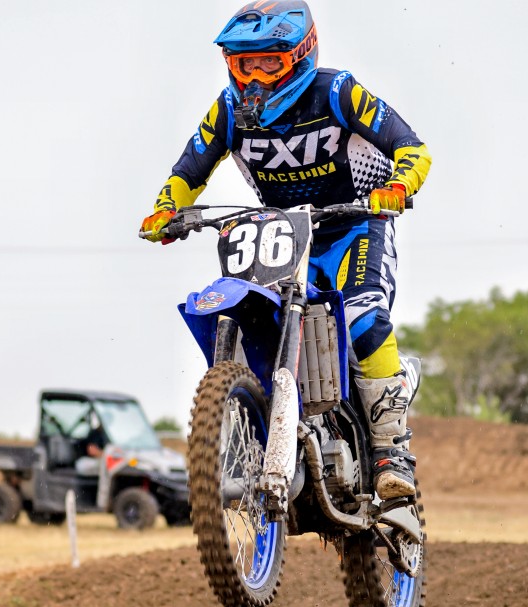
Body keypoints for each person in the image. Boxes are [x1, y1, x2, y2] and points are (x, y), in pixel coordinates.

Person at [140, 1, 431, 500]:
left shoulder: (337, 92)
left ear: (300, 57)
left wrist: (399, 186)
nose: (255, 78)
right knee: (255, 318)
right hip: (285, 236)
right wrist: (166, 209)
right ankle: (258, 430)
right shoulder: (228, 111)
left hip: (355, 224)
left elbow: (413, 149)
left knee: (361, 317)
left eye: (268, 63)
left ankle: (391, 449)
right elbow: (188, 171)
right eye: (244, 64)